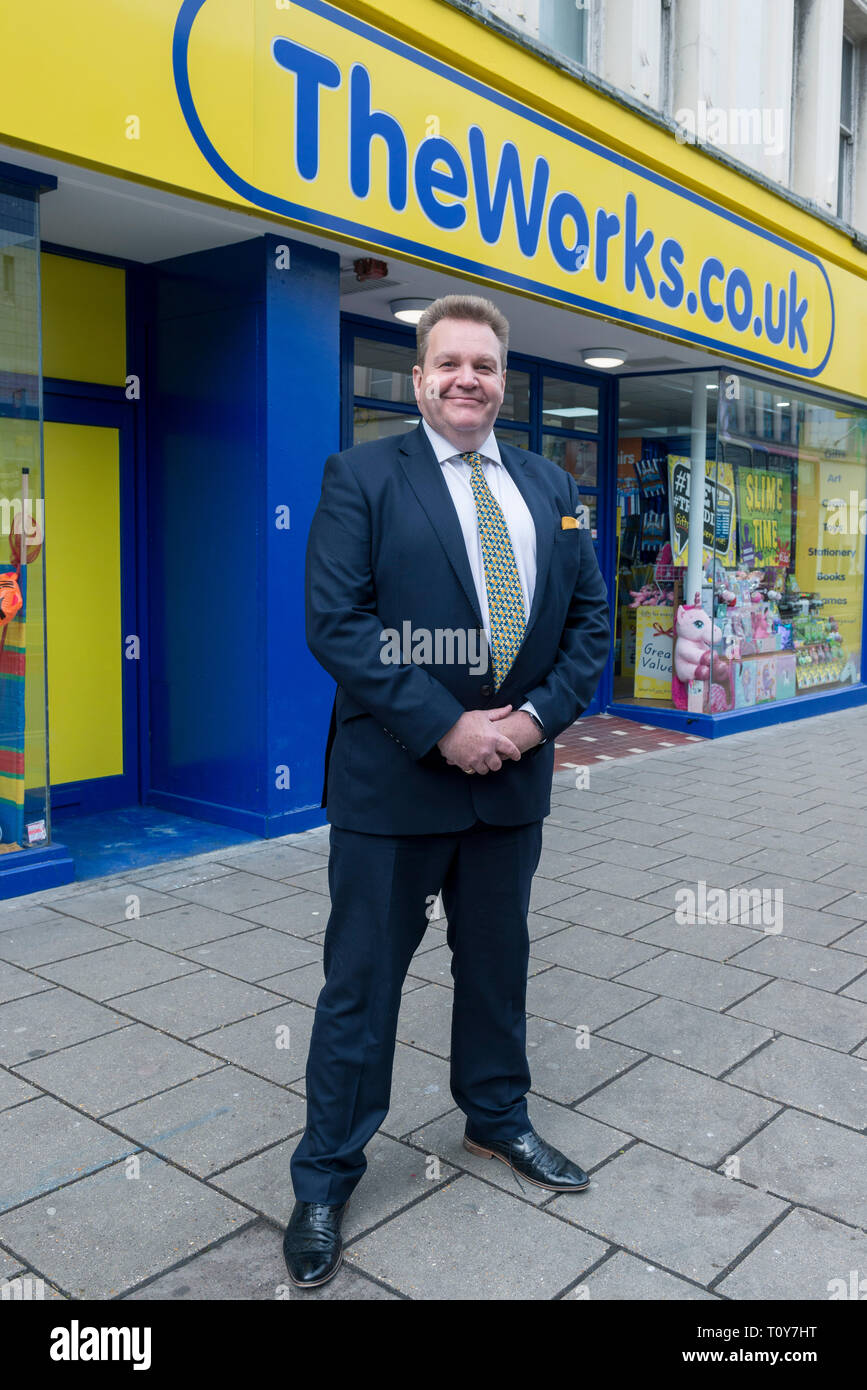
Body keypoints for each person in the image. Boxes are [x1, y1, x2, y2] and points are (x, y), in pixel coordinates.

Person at [283, 294, 610, 1288]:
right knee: (362, 985)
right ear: (418, 377)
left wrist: (527, 722)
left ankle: (497, 1117)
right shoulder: (362, 474)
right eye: (449, 363)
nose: (467, 378)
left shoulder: (552, 484)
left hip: (512, 784)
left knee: (499, 964)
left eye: (485, 365)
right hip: (393, 785)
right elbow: (337, 622)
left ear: (503, 380)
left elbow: (591, 625)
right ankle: (326, 1175)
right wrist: (446, 725)